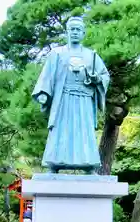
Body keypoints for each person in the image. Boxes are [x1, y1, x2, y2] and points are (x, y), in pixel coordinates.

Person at [32, 16, 110, 174]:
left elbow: (104, 76)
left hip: (84, 100)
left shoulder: (91, 55)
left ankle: (89, 165)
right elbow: (47, 76)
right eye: (72, 29)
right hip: (63, 99)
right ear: (67, 32)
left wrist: (97, 79)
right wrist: (43, 93)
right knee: (61, 131)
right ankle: (54, 164)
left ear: (83, 33)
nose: (75, 32)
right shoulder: (57, 54)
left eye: (78, 30)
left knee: (85, 132)